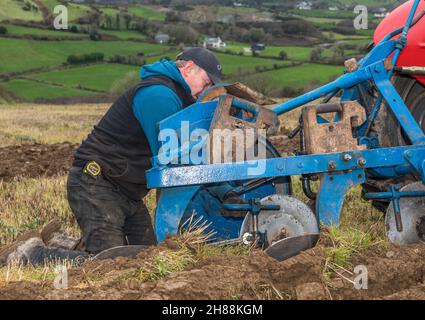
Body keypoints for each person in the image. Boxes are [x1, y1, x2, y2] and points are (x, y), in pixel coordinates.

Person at [1, 47, 222, 266]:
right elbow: (171, 160)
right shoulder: (159, 94)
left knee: (148, 258)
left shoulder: (175, 95)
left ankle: (60, 242)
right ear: (190, 69)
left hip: (126, 192)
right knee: (109, 265)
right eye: (207, 80)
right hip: (96, 184)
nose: (208, 87)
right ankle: (32, 254)